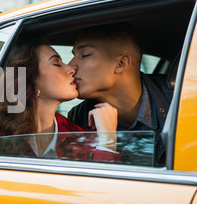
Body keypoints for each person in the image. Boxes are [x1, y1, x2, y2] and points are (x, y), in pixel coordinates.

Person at [0, 37, 120, 161]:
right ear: (30, 80)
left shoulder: (79, 136)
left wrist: (107, 141)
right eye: (57, 63)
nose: (71, 68)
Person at [67, 23, 173, 166]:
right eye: (74, 56)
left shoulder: (179, 102)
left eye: (85, 55)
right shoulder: (79, 117)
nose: (71, 66)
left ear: (120, 64)